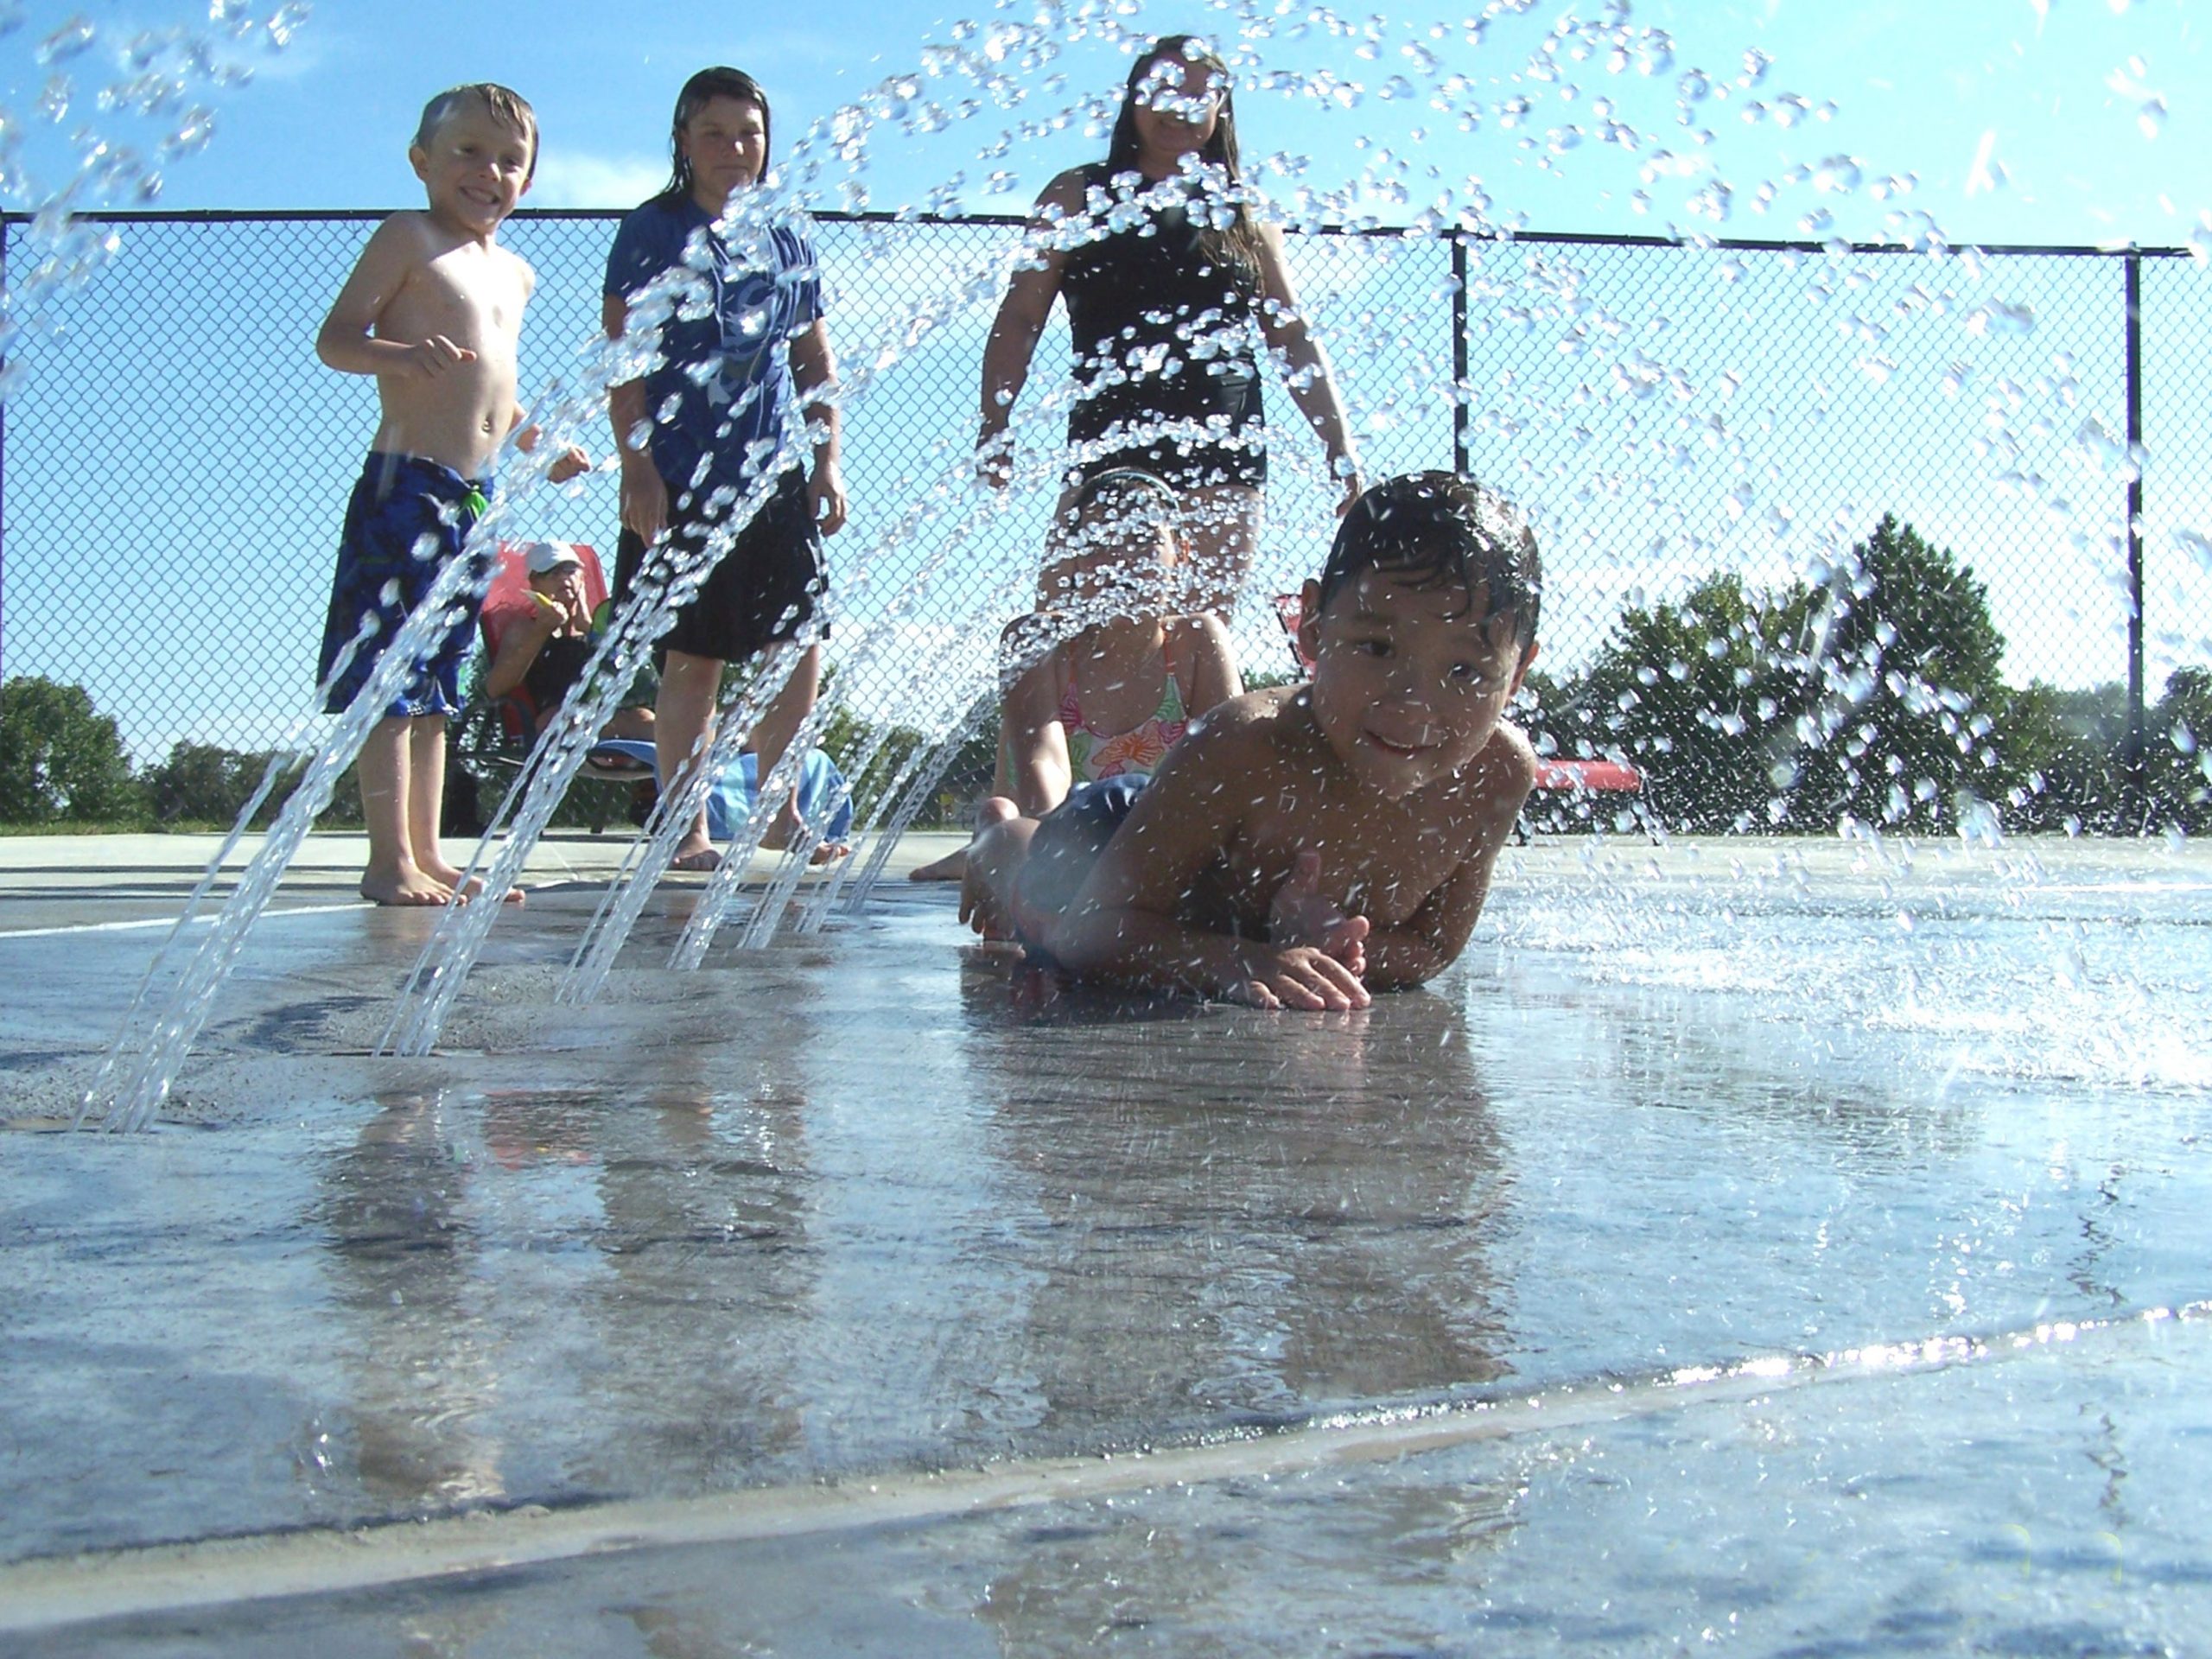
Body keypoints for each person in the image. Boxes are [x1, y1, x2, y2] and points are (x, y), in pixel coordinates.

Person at [960, 472, 1542, 1011]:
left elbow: (1433, 948)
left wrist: (1324, 949)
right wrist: (1243, 960)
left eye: (1465, 672)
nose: (1413, 704)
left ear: (1516, 675)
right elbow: (1088, 933)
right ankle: (996, 834)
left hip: (1195, 867)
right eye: (1377, 648)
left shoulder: (1498, 773)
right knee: (1036, 875)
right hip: (1118, 830)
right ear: (1313, 626)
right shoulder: (1245, 743)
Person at [976, 33, 1363, 618]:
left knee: (1198, 630)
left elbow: (1289, 335)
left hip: (1223, 447)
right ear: (1134, 98)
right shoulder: (1078, 194)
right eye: (1162, 90)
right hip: (1109, 441)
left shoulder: (1244, 210)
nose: (1178, 107)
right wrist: (996, 422)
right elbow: (1021, 318)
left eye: (1197, 95)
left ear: (1220, 108)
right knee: (1069, 629)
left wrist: (1338, 445)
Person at [314, 83, 587, 906]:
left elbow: (498, 392)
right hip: (407, 486)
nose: (488, 172)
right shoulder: (409, 236)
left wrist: (539, 443)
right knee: (390, 677)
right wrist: (400, 356)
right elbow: (336, 340)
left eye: (508, 160)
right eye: (467, 152)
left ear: (528, 180)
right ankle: (387, 858)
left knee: (437, 680)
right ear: (422, 161)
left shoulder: (517, 273)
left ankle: (428, 854)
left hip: (476, 497)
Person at [604, 66, 848, 873]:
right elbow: (624, 359)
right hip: (681, 477)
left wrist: (827, 461)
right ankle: (687, 828)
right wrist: (638, 469)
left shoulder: (786, 234)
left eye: (749, 134)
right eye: (714, 133)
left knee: (798, 642)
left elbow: (813, 357)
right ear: (683, 141)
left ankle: (779, 813)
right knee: (693, 656)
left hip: (772, 472)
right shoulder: (653, 231)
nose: (734, 149)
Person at [911, 467, 1241, 884]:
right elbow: (1044, 767)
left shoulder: (1197, 642)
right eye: (1099, 543)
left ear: (1182, 552)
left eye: (1143, 539)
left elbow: (1226, 769)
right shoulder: (1037, 644)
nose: (1120, 560)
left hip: (1161, 841)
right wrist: (1069, 859)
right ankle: (988, 851)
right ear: (1075, 558)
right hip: (1052, 838)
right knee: (1007, 828)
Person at [478, 542, 657, 746]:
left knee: (647, 719)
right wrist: (541, 631)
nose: (563, 577)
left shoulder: (599, 624)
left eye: (570, 570)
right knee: (558, 720)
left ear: (582, 577)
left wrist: (588, 628)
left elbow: (637, 677)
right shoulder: (526, 628)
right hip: (558, 719)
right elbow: (495, 688)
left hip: (608, 713)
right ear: (535, 583)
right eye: (551, 572)